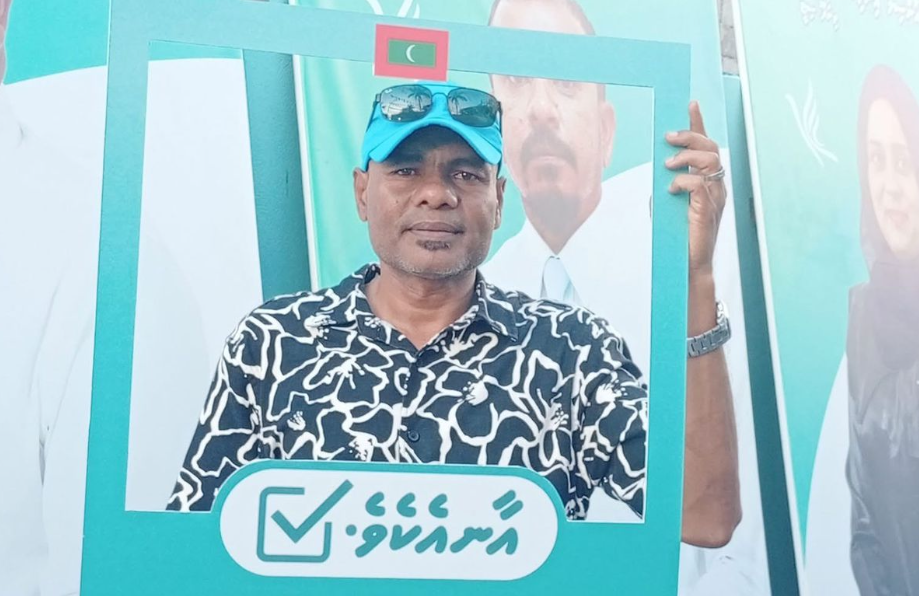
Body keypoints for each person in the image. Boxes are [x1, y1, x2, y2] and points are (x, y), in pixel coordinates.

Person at [167, 81, 741, 547]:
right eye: (405, 170)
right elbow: (192, 546)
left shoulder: (570, 349)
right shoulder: (273, 344)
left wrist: (696, 278)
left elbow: (704, 515)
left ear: (500, 199)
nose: (436, 194)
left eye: (466, 174)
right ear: (362, 193)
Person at [845, 64, 919, 596]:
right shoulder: (862, 313)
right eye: (876, 160)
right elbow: (864, 516)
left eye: (904, 161)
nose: (889, 187)